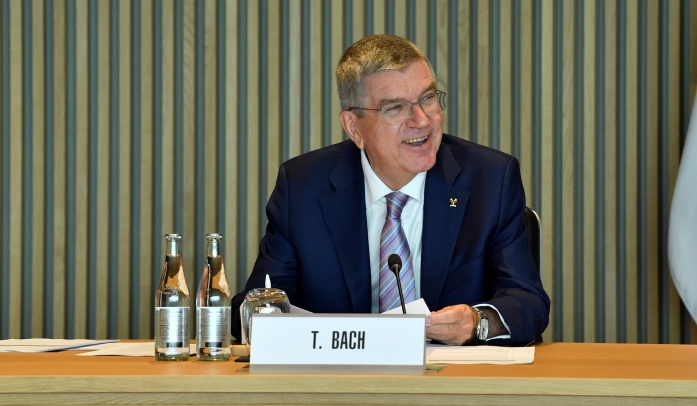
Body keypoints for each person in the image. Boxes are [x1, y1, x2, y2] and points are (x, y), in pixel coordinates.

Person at [231, 34, 549, 345]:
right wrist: (267, 317)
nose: (422, 121)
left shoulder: (489, 179)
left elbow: (527, 301)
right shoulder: (303, 187)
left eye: (427, 98)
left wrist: (476, 323)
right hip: (338, 388)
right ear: (354, 127)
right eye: (395, 108)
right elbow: (257, 304)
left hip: (453, 385)